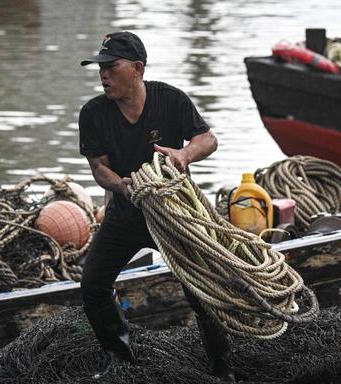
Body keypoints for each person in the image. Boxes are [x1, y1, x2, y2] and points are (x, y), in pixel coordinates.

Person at [78, 31, 235, 381]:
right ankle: (121, 360)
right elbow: (99, 168)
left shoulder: (171, 100)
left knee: (202, 290)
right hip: (126, 213)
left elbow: (207, 139)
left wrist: (184, 154)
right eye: (99, 68)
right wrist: (122, 185)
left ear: (137, 68)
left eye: (110, 66)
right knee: (93, 286)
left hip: (175, 214)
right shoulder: (93, 113)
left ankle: (223, 369)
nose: (103, 74)